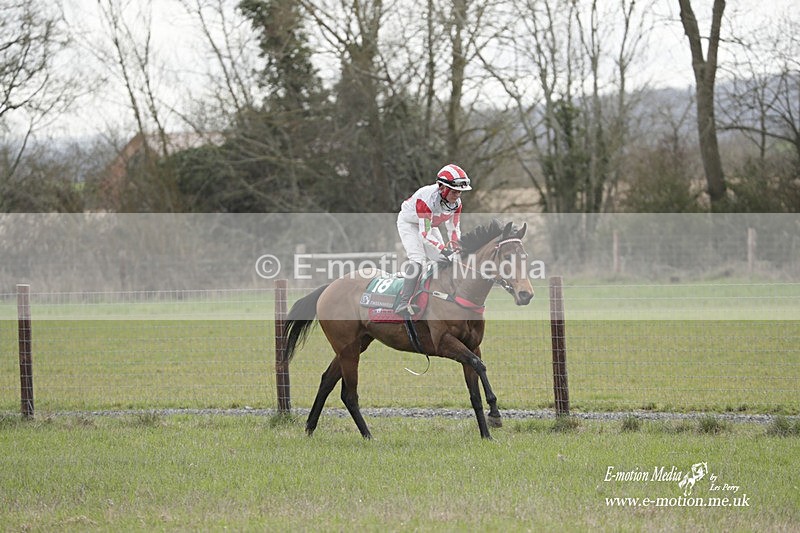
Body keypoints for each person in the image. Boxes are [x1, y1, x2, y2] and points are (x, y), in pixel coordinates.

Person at [394, 163, 472, 317]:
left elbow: (454, 229)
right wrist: (445, 249)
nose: (457, 195)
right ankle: (404, 302)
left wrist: (456, 249)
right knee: (418, 259)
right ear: (442, 188)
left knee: (444, 259)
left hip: (429, 225)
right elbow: (424, 235)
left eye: (460, 192)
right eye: (455, 191)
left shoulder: (457, 204)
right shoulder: (427, 199)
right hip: (410, 224)